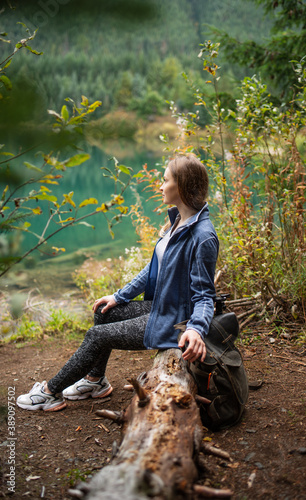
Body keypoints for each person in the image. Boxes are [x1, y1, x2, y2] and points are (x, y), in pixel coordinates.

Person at [16, 154, 219, 411]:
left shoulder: (203, 236)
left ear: (182, 186)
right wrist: (119, 296)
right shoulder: (179, 221)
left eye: (165, 180)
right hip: (162, 308)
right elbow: (152, 269)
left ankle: (49, 392)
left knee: (97, 335)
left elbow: (204, 295)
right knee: (104, 312)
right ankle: (95, 381)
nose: (160, 185)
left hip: (176, 322)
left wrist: (197, 329)